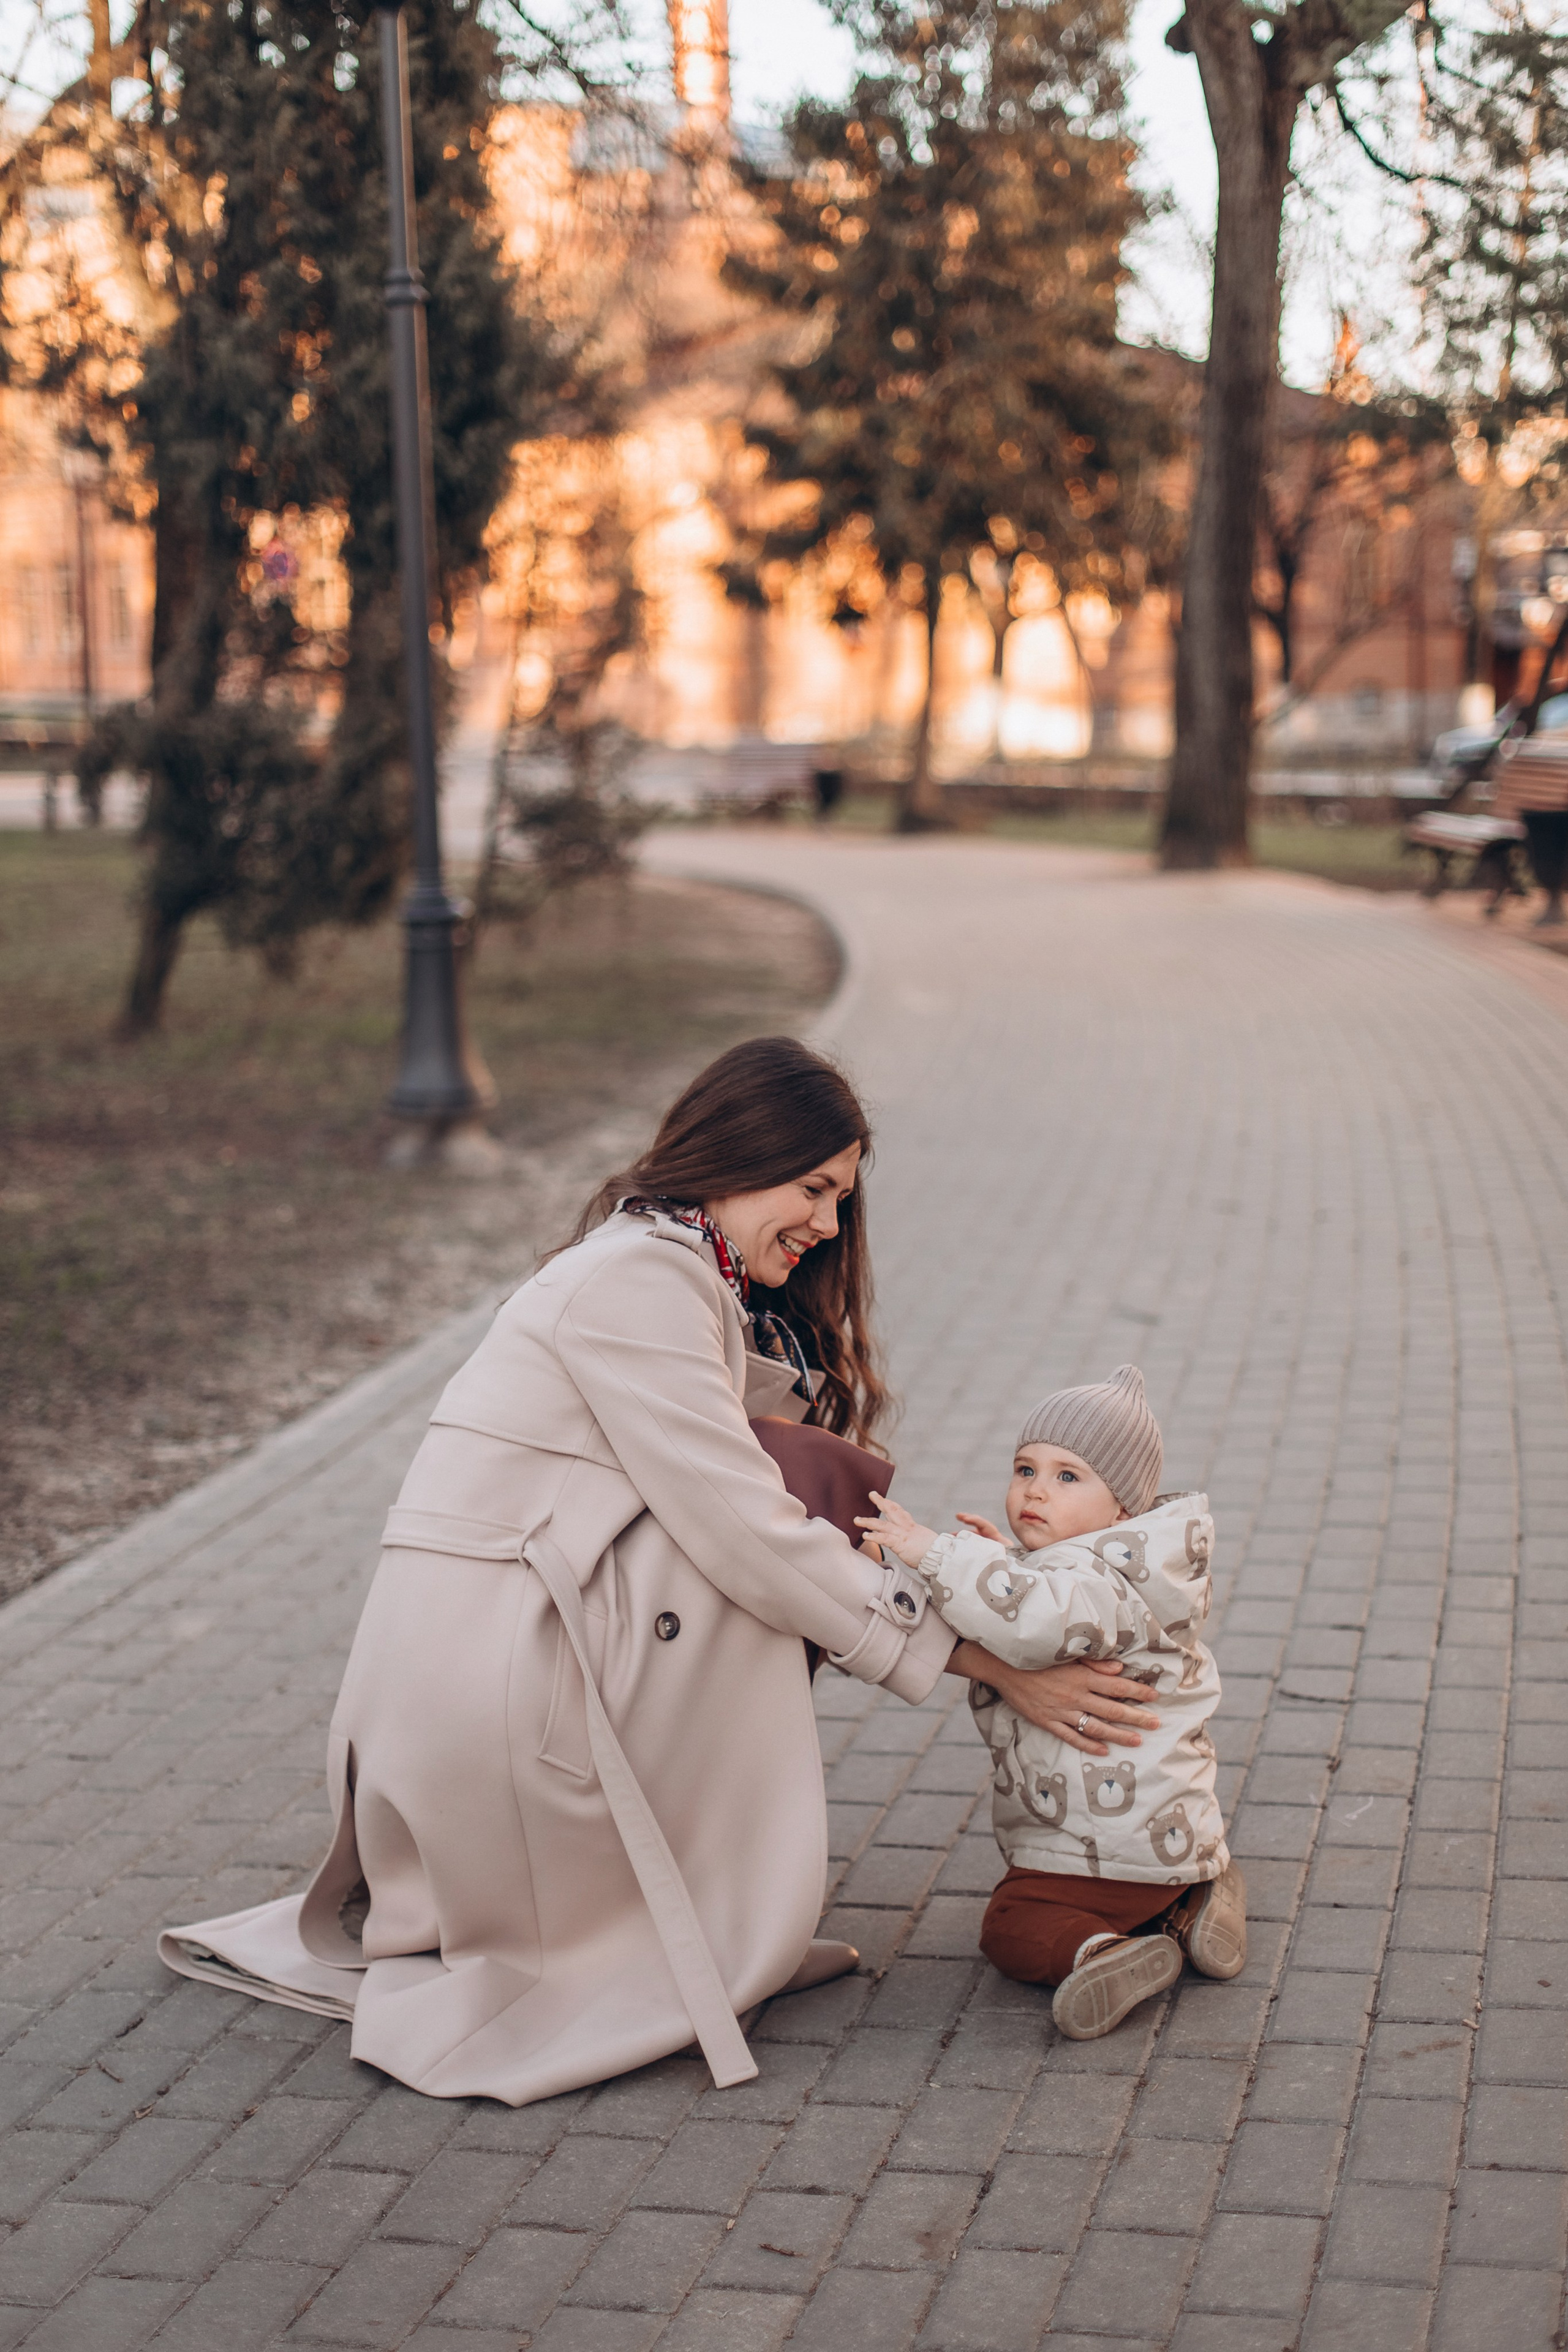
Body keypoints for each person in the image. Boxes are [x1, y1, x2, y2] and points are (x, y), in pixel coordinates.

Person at [157, 1038, 1159, 2104]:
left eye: (843, 1197)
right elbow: (743, 1529)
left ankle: (689, 1898)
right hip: (486, 1691)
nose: (830, 1223)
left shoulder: (670, 1268)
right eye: (814, 1187)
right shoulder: (640, 1280)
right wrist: (988, 1661)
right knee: (761, 1551)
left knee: (797, 1491)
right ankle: (688, 1914)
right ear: (738, 1153)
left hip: (476, 1660)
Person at [858, 1365, 1247, 2041]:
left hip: (1097, 1845)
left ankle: (1104, 1953)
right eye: (1025, 1469)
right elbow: (1045, 1595)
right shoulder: (1126, 1567)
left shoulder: (1090, 1578)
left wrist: (936, 1555)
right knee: (1139, 1884)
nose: (1036, 1490)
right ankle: (1191, 1898)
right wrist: (1002, 1562)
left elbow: (1035, 1621)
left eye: (1069, 1477)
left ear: (1122, 1509)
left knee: (1012, 1926)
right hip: (1160, 1832)